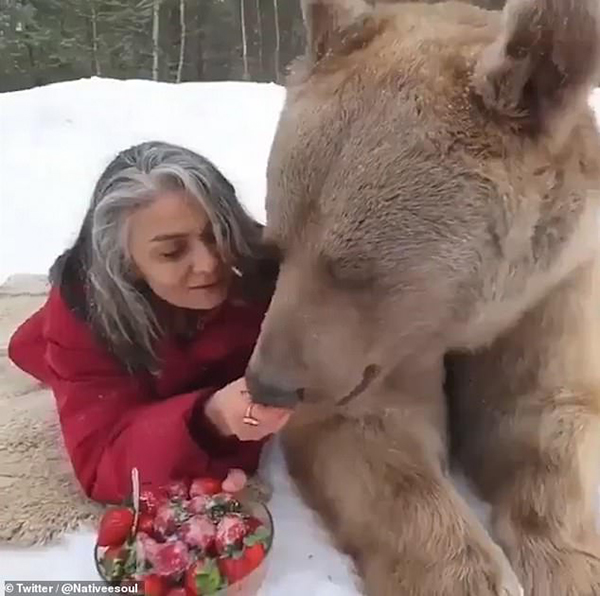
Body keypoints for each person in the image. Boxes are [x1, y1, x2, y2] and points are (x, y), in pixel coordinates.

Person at [8, 141, 291, 504]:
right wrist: (209, 419)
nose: (209, 263)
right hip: (82, 341)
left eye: (217, 233)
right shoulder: (86, 316)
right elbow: (100, 465)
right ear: (126, 262)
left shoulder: (262, 265)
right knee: (31, 345)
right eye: (172, 251)